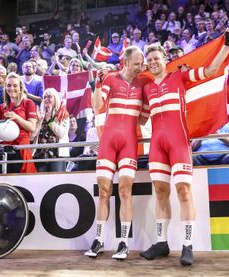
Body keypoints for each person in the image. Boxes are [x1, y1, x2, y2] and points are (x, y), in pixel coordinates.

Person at [139, 29, 229, 266]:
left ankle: (187, 244)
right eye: (149, 60)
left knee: (184, 191)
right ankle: (162, 243)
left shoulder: (178, 77)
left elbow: (211, 71)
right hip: (157, 146)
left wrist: (227, 45)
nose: (153, 63)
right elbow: (139, 118)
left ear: (165, 60)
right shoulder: (147, 89)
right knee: (160, 192)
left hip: (179, 143)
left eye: (156, 59)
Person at [84, 46, 146, 260]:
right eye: (137, 63)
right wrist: (98, 85)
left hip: (129, 142)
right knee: (103, 191)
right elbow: (97, 106)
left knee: (125, 191)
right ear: (126, 62)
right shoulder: (110, 78)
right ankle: (99, 240)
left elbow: (145, 117)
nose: (141, 67)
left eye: (142, 63)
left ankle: (124, 243)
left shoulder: (144, 82)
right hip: (108, 142)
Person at [0, 73, 37, 173]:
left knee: (22, 183)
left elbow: (32, 127)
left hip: (21, 149)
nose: (11, 88)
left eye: (15, 85)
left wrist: (16, 117)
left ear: (21, 88)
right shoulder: (2, 107)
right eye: (8, 85)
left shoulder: (28, 103)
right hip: (4, 149)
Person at [32, 88, 69, 172]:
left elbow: (62, 134)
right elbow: (32, 137)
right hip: (39, 155)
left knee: (57, 183)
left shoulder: (63, 113)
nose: (46, 99)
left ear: (55, 99)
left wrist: (49, 120)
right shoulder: (38, 115)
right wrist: (40, 120)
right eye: (44, 97)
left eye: (49, 97)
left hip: (57, 156)